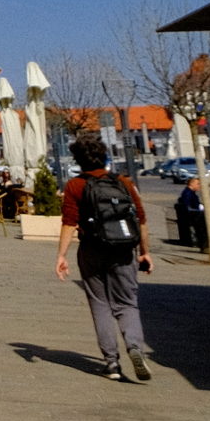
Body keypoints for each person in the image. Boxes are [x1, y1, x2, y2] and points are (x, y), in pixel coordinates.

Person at [55, 136, 153, 381]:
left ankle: (111, 363)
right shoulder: (123, 182)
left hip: (91, 249)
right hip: (123, 250)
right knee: (127, 303)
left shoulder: (75, 185)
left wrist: (61, 255)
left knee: (100, 304)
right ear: (104, 156)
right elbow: (140, 219)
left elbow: (69, 222)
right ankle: (134, 347)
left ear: (78, 160)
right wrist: (144, 252)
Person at [174, 179, 208, 252]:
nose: (199, 186)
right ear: (191, 184)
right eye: (198, 184)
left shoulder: (190, 193)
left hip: (193, 215)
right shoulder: (188, 194)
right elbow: (188, 207)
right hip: (193, 217)